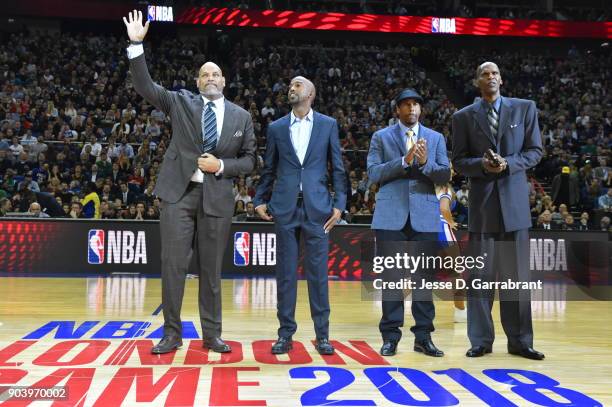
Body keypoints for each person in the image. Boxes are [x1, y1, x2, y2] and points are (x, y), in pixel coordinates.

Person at [123, 10, 256, 354]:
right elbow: (144, 86)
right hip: (178, 194)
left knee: (211, 271)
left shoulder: (242, 116)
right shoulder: (180, 101)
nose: (210, 77)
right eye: (204, 74)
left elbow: (251, 160)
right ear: (197, 83)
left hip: (216, 197)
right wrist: (136, 46)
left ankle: (211, 335)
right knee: (173, 266)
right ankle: (171, 333)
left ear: (224, 81)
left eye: (215, 73)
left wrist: (221, 165)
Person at [452, 62, 544, 360]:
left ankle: (520, 341)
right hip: (482, 207)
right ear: (477, 82)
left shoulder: (525, 108)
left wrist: (508, 164)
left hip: (515, 207)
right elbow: (459, 161)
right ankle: (480, 340)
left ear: (501, 80)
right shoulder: (463, 117)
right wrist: (482, 164)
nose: (490, 77)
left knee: (516, 278)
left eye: (494, 73)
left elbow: (535, 151)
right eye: (484, 74)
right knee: (480, 277)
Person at [254, 76, 346, 355]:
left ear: (311, 93)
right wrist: (260, 199)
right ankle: (285, 334)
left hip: (318, 209)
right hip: (284, 207)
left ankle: (323, 335)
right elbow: (269, 168)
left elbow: (338, 168)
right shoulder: (277, 127)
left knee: (318, 275)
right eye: (290, 84)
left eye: (297, 85)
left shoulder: (328, 125)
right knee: (285, 275)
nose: (291, 88)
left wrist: (339, 204)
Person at [367, 89, 450, 357]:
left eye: (416, 104)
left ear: (421, 110)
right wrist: (405, 161)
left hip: (424, 216)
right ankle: (390, 336)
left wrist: (424, 164)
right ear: (397, 110)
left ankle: (423, 337)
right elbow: (373, 173)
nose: (411, 108)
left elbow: (445, 174)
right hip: (391, 216)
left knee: (423, 279)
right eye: (406, 104)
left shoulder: (436, 138)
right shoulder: (381, 137)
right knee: (391, 279)